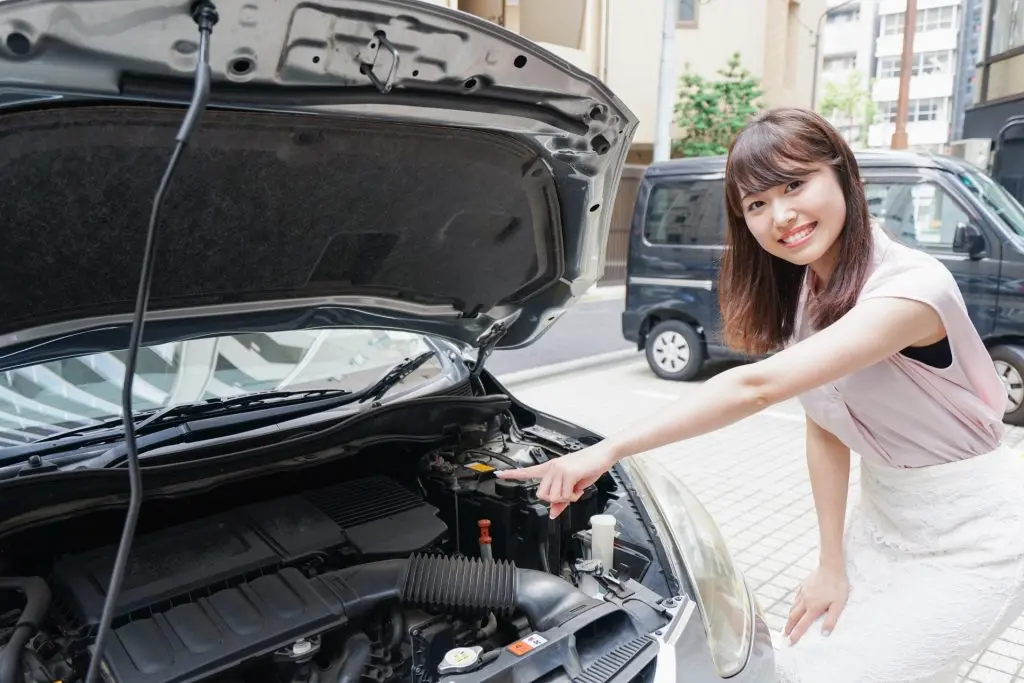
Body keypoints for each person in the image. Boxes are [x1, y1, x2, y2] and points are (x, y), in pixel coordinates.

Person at [497, 108, 1024, 682]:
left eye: (795, 184)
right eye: (756, 204)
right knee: (802, 664)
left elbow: (756, 387)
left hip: (976, 537)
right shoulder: (808, 294)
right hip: (884, 519)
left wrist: (606, 450)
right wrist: (830, 562)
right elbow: (825, 424)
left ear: (842, 172)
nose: (782, 215)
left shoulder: (912, 290)